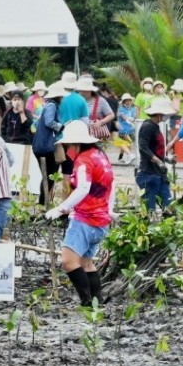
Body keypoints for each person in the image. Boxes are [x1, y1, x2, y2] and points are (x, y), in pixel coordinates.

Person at [44, 120, 115, 307]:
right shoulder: (100, 155)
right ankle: (97, 302)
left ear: (76, 144)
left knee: (68, 261)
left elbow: (83, 188)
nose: (67, 150)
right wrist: (109, 210)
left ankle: (86, 302)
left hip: (85, 218)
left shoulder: (83, 160)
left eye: (67, 145)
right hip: (101, 220)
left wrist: (60, 209)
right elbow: (111, 184)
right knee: (86, 263)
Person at [135, 97, 174, 211]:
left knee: (169, 207)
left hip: (159, 173)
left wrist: (167, 159)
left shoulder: (156, 126)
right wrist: (158, 161)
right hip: (148, 173)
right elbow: (143, 147)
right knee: (149, 210)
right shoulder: (147, 127)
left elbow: (156, 149)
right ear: (158, 114)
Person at [33, 82, 66, 206]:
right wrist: (61, 127)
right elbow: (49, 122)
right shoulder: (52, 106)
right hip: (45, 147)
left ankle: (45, 202)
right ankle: (43, 203)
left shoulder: (49, 105)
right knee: (50, 176)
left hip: (41, 146)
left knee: (48, 176)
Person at [113, 94, 137, 164]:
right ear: (123, 102)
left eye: (129, 100)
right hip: (123, 129)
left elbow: (134, 117)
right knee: (127, 143)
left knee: (124, 144)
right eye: (126, 100)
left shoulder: (133, 109)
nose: (128, 102)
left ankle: (120, 157)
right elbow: (124, 117)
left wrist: (133, 119)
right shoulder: (121, 109)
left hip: (131, 129)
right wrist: (131, 119)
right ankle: (129, 157)